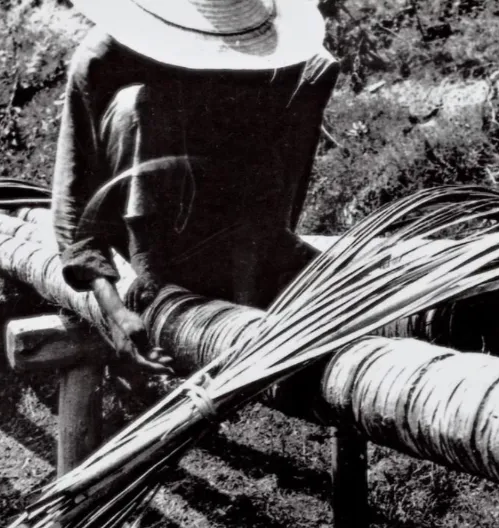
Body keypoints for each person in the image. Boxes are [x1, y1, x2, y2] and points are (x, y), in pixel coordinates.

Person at [53, 0, 339, 373]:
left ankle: (256, 275)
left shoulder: (266, 53)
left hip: (234, 226)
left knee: (315, 71)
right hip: (146, 229)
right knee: (137, 106)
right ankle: (156, 276)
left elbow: (264, 174)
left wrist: (253, 281)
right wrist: (114, 310)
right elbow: (74, 205)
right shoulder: (104, 57)